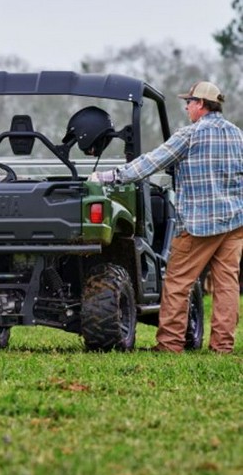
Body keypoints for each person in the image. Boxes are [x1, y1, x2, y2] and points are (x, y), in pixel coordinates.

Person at [90, 81, 243, 353]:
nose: (186, 107)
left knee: (177, 282)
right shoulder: (237, 135)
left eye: (189, 102)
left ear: (201, 105)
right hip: (233, 223)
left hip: (199, 224)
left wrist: (110, 176)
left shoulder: (190, 135)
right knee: (227, 285)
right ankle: (222, 346)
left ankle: (170, 344)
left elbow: (150, 163)